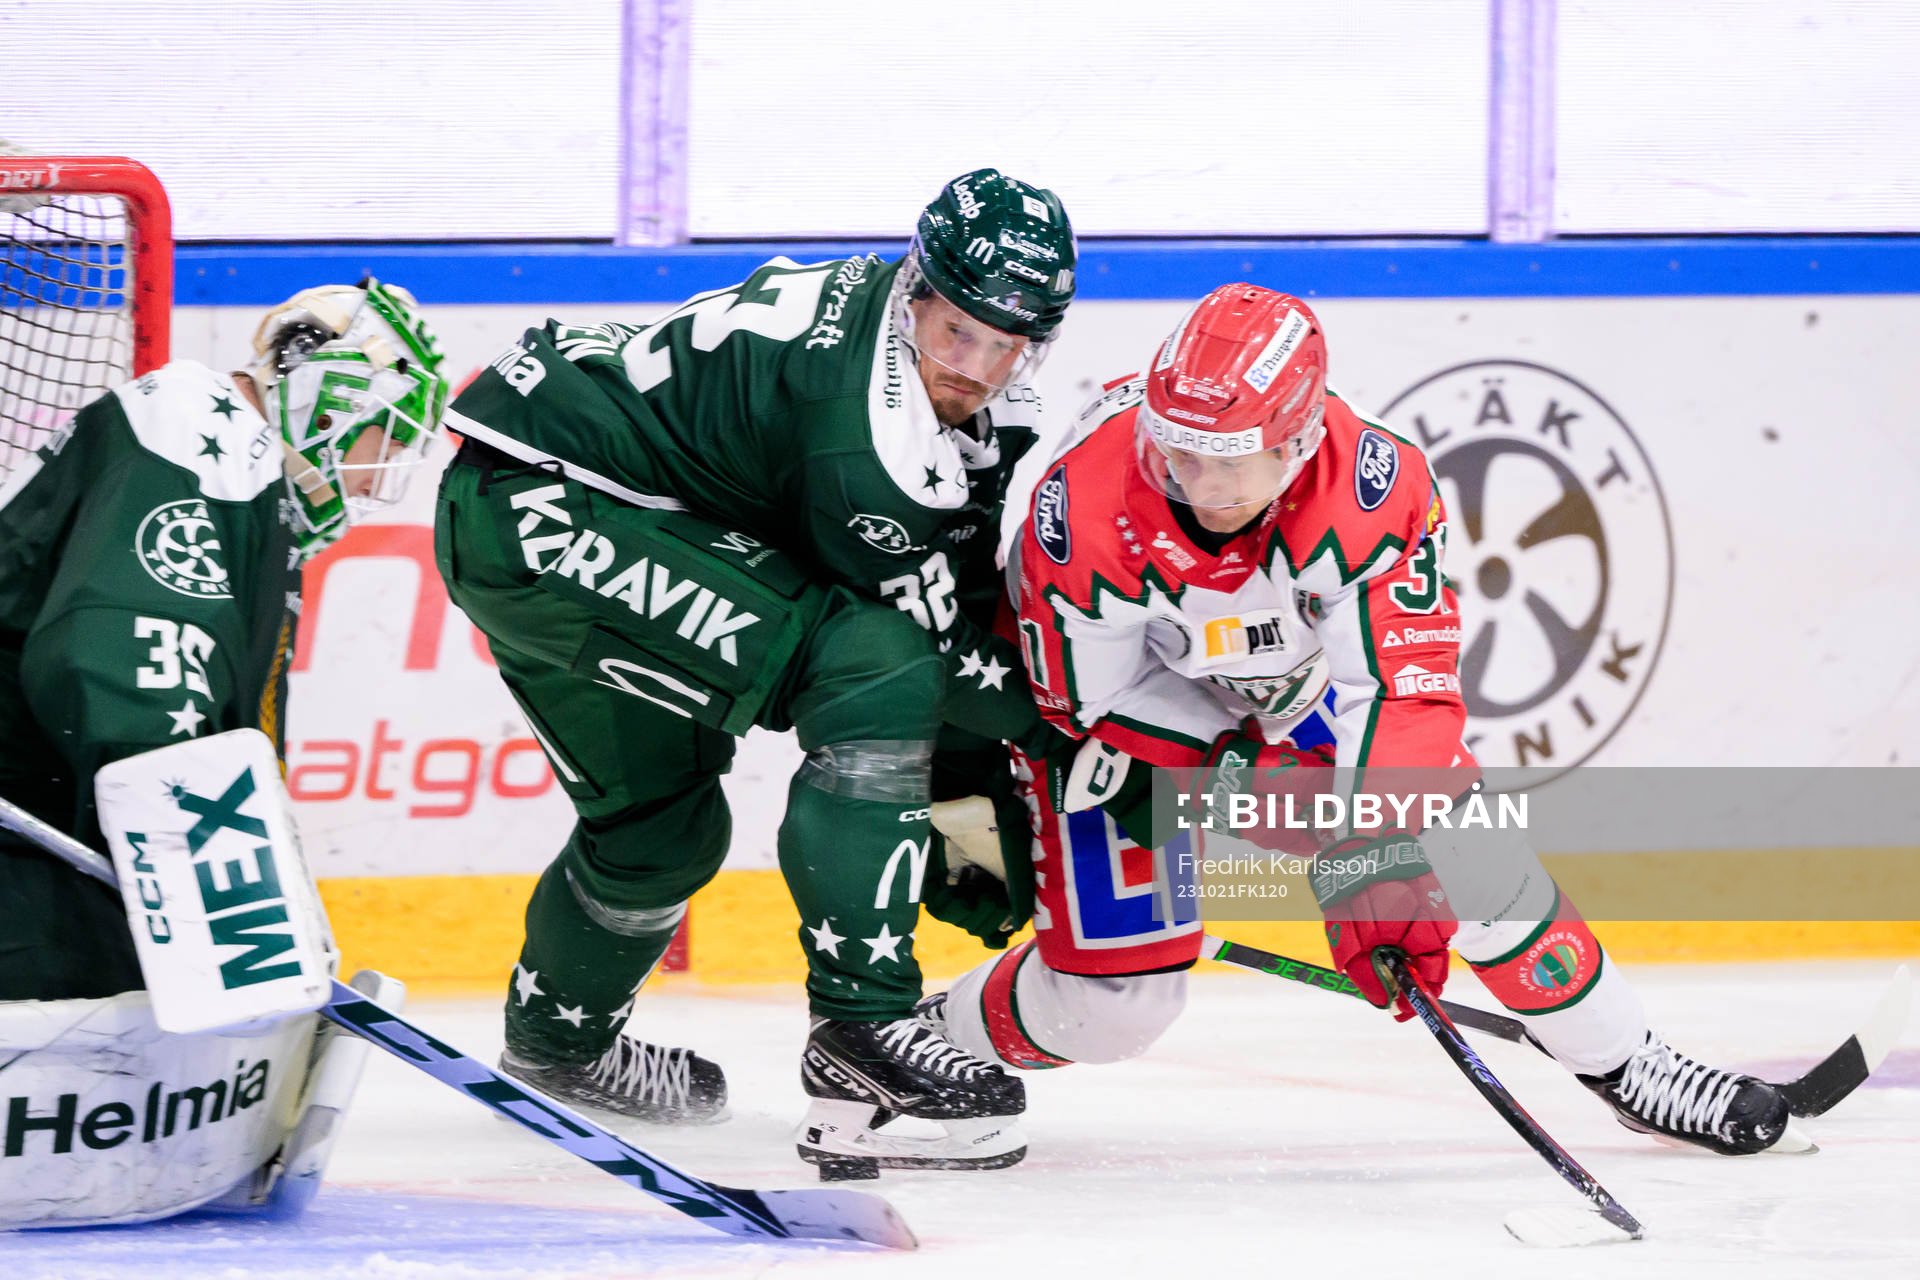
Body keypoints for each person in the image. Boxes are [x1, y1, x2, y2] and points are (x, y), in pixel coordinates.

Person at [926, 282, 1810, 1157]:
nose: (1195, 483)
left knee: (1472, 854)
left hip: (1295, 687)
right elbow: (1090, 706)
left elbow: (1399, 697)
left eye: (1229, 459)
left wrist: (1369, 861)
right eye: (1178, 452)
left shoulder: (1369, 492)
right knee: (1109, 1009)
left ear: (1299, 441)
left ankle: (1629, 1063)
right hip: (1131, 728)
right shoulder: (1082, 513)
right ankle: (925, 1049)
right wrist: (1249, 785)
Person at [435, 169, 1077, 1173]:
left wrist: (981, 789)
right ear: (916, 288)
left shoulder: (901, 347)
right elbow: (918, 658)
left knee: (660, 830)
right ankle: (860, 1030)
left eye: (1009, 344)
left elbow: (959, 598)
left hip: (545, 508)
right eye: (958, 333)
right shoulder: (864, 443)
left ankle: (557, 1044)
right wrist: (1059, 740)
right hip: (555, 517)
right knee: (874, 659)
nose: (978, 370)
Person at [0, 279, 451, 1224]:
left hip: (42, 815)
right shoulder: (193, 437)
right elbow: (114, 662)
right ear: (334, 396)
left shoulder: (240, 472)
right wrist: (211, 893)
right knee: (119, 997)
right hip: (26, 844)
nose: (381, 473)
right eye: (387, 439)